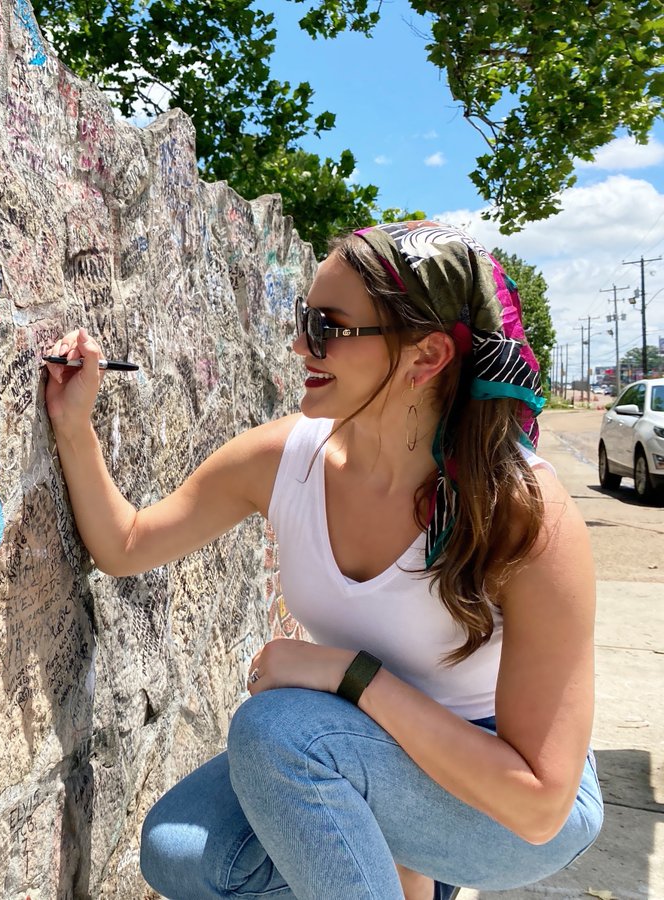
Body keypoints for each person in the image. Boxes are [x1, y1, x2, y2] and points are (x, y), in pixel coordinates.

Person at [43, 221, 603, 900]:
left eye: (329, 326)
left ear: (425, 358)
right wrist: (74, 425)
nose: (299, 343)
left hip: (503, 805)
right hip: (360, 747)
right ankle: (401, 877)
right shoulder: (285, 460)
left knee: (280, 731)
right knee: (181, 852)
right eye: (303, 318)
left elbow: (540, 800)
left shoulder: (524, 513)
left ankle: (410, 871)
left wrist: (348, 673)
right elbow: (127, 544)